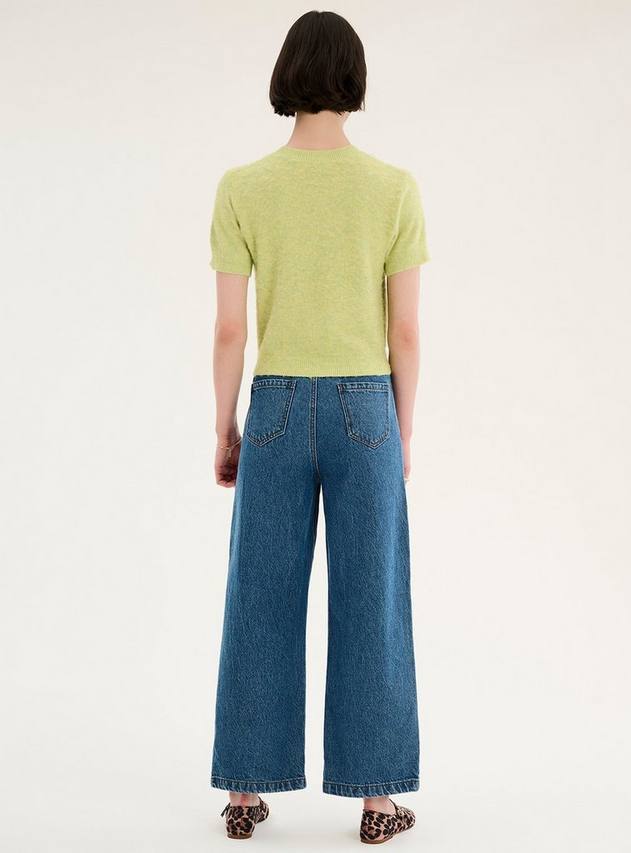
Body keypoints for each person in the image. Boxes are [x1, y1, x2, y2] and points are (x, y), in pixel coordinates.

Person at [209, 10, 429, 844]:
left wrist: (225, 425)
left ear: (286, 77)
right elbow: (404, 331)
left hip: (272, 406)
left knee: (259, 595)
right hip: (366, 408)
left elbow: (231, 330)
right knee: (372, 597)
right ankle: (377, 802)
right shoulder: (393, 188)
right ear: (354, 79)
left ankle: (243, 792)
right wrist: (401, 431)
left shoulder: (243, 186)